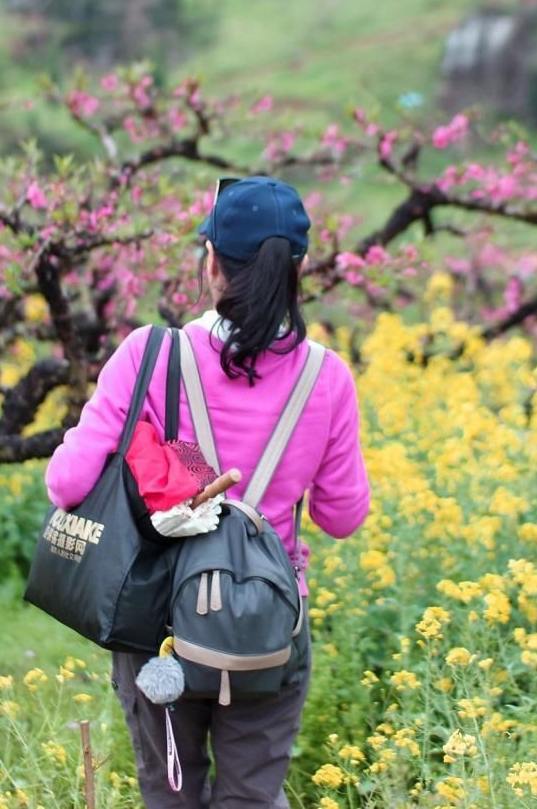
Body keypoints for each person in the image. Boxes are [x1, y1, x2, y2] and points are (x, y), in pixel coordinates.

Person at [45, 175, 371, 808]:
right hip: (268, 626)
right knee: (252, 798)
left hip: (158, 620)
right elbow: (341, 516)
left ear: (212, 260)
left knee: (171, 792)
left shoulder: (151, 353)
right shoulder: (327, 377)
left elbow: (66, 484)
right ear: (296, 268)